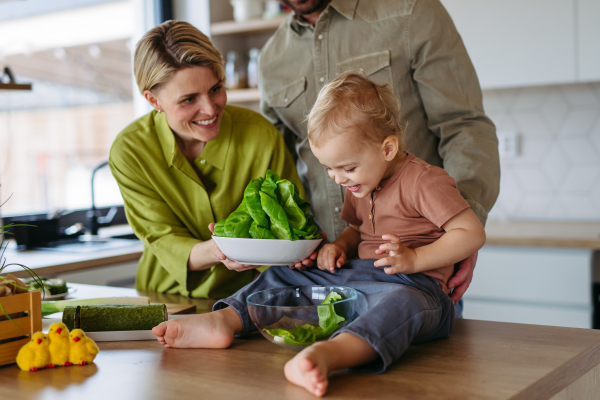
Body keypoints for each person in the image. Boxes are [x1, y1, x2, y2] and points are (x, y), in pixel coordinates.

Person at [152, 72, 487, 397]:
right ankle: (226, 320)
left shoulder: (424, 181)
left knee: (400, 304)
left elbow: (471, 234)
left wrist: (415, 259)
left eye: (347, 168)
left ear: (387, 149)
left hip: (418, 287)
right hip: (358, 278)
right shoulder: (360, 181)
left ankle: (329, 355)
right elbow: (358, 230)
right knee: (285, 273)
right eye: (329, 169)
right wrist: (339, 246)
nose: (338, 179)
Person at [258, 0, 500, 308]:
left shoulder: (412, 11)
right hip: (330, 275)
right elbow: (279, 171)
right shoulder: (270, 60)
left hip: (416, 275)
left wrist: (461, 233)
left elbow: (465, 126)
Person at [109, 21, 302, 298]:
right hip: (167, 300)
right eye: (189, 99)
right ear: (153, 100)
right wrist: (222, 249)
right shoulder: (131, 151)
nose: (210, 109)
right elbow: (164, 240)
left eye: (215, 88)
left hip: (253, 298)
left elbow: (290, 224)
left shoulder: (260, 135)